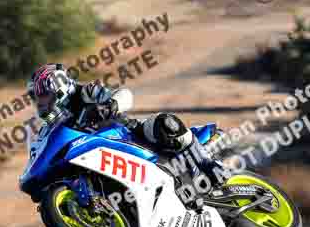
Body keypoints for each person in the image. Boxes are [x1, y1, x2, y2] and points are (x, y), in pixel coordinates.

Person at [26, 63, 220, 184]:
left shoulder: (87, 92)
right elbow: (41, 150)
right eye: (37, 99)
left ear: (58, 88)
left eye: (42, 96)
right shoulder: (50, 126)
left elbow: (125, 95)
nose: (40, 103)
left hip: (130, 136)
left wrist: (111, 104)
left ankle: (209, 166)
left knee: (165, 123)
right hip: (94, 157)